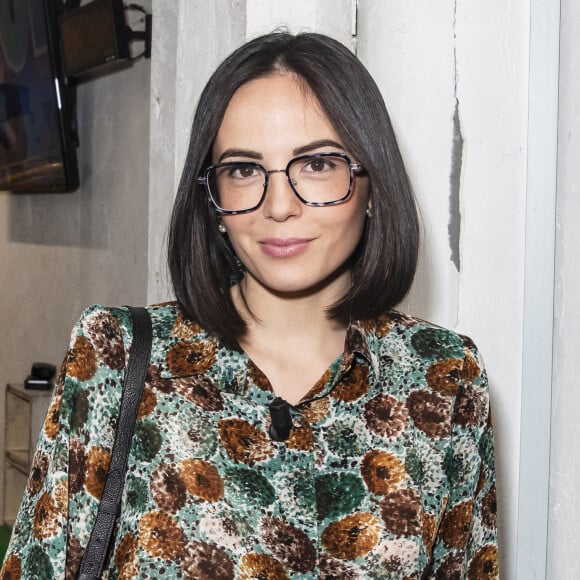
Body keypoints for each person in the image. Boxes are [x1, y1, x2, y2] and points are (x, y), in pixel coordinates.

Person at [1, 32, 498, 579]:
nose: (279, 206)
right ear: (212, 200)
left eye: (317, 164)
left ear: (372, 184)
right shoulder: (118, 358)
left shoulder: (444, 376)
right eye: (243, 170)